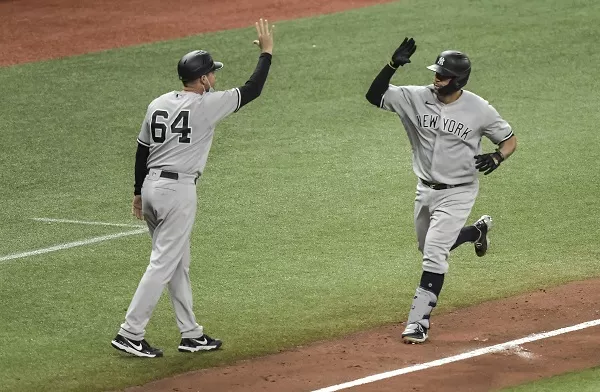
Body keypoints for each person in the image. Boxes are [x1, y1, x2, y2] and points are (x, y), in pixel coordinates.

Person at [111, 19, 275, 358]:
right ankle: (130, 332)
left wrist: (138, 191)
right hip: (177, 193)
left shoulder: (158, 103)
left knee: (176, 263)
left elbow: (143, 148)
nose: (215, 78)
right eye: (212, 74)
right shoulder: (206, 104)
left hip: (152, 188)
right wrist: (267, 53)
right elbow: (253, 89)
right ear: (201, 79)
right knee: (162, 263)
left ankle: (191, 334)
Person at [365, 37, 517, 344]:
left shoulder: (479, 109)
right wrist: (392, 65)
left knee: (434, 254)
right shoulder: (415, 97)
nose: (436, 77)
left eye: (443, 74)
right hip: (425, 190)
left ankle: (418, 321)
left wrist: (498, 156)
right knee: (429, 247)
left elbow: (509, 139)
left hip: (459, 192)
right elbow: (373, 96)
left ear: (458, 80)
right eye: (436, 71)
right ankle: (475, 232)